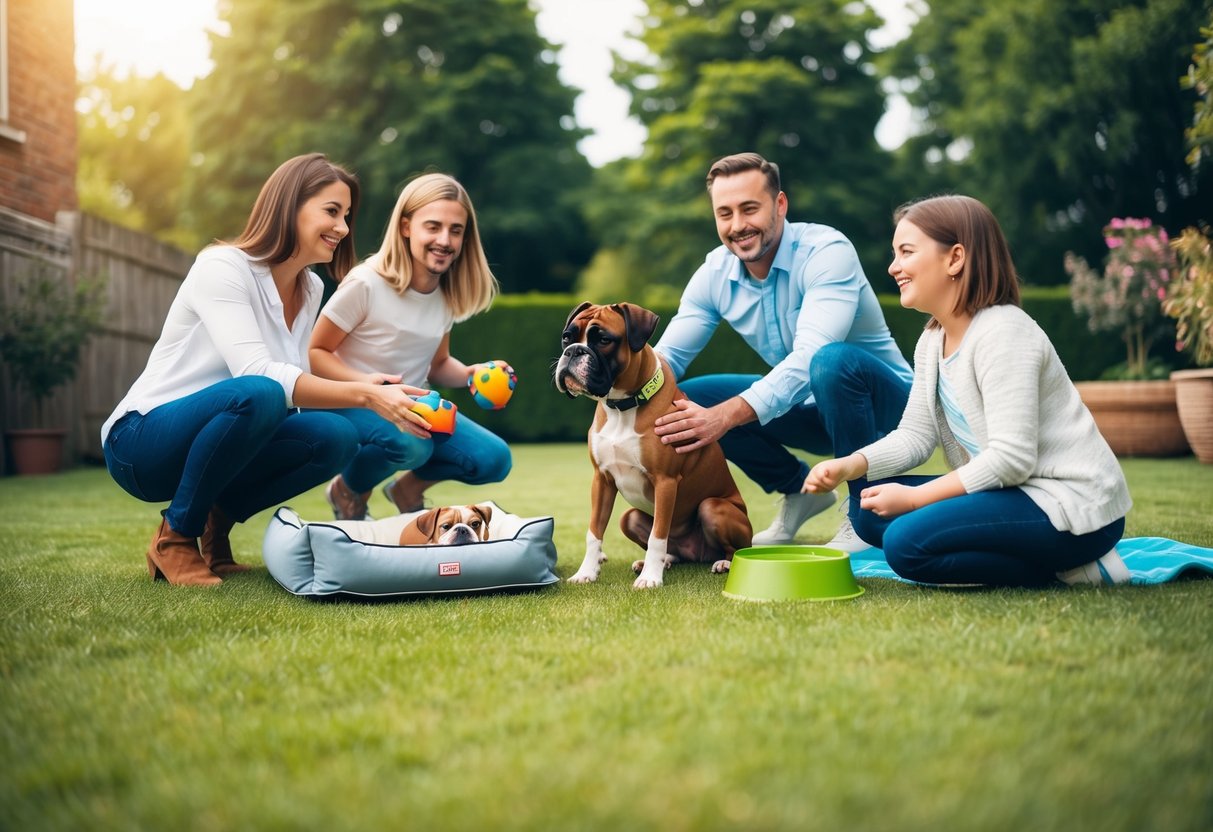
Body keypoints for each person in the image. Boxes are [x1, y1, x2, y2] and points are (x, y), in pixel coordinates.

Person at [101, 153, 424, 586]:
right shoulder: (223, 267)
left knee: (336, 438)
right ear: (289, 206)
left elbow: (293, 367)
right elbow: (262, 373)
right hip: (141, 443)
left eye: (347, 215)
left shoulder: (310, 287)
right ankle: (175, 539)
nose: (343, 228)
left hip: (218, 437)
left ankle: (216, 526)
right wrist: (367, 397)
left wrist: (363, 381)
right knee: (260, 392)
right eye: (331, 211)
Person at [802, 195, 1132, 587]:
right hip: (1010, 495)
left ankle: (1072, 568)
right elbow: (916, 436)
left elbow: (1012, 459)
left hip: (1068, 505)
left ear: (955, 258)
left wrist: (914, 501)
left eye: (906, 252)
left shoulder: (1005, 331)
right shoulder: (932, 340)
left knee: (905, 544)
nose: (893, 267)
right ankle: (1050, 565)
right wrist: (849, 465)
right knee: (867, 512)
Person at [652, 152, 914, 550]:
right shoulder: (713, 274)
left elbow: (812, 356)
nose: (738, 226)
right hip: (809, 408)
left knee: (830, 361)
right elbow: (664, 360)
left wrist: (725, 417)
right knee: (692, 399)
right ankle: (801, 490)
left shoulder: (827, 251)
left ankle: (862, 518)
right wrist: (609, 381)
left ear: (780, 205)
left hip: (890, 411)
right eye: (725, 213)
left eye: (749, 209)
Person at [308, 172, 511, 520]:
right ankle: (347, 490)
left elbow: (437, 364)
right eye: (432, 227)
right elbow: (315, 354)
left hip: (414, 406)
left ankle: (407, 489)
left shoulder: (443, 294)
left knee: (494, 459)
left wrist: (470, 374)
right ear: (406, 227)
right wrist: (367, 389)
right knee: (413, 443)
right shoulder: (366, 283)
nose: (445, 240)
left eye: (456, 230)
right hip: (346, 401)